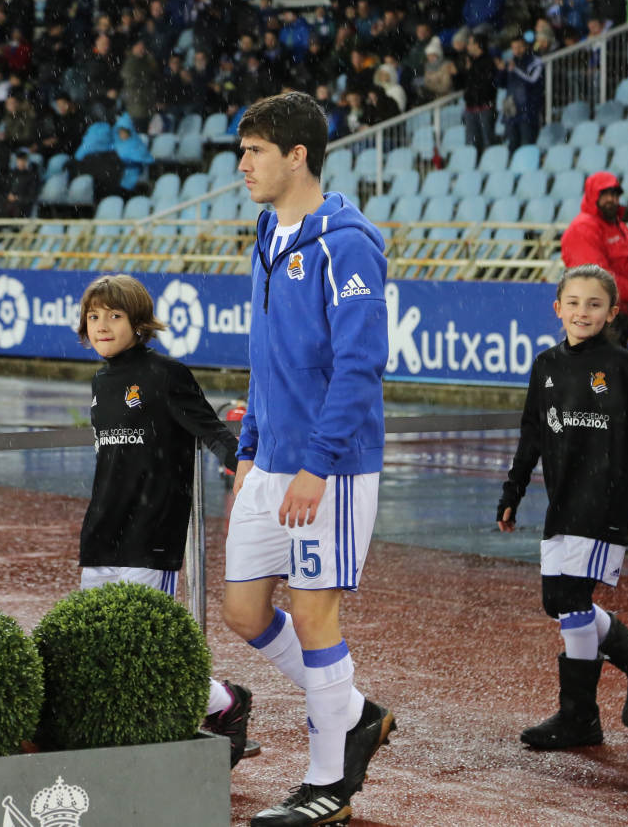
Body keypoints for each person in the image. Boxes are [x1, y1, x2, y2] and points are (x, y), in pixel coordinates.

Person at [225, 92, 394, 827]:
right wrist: (251, 450)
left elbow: (360, 366)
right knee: (243, 612)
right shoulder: (266, 229)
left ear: (298, 155)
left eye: (254, 152)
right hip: (270, 463)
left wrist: (316, 467)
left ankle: (329, 784)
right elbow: (267, 359)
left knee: (315, 613)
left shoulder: (348, 243)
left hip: (333, 469)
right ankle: (352, 713)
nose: (243, 167)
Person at [74, 273, 255, 769]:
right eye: (94, 317)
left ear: (139, 323)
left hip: (150, 535)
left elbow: (214, 433)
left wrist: (247, 469)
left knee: (143, 654)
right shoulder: (100, 380)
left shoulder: (164, 374)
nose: (102, 326)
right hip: (101, 534)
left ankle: (224, 704)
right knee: (101, 652)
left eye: (114, 316)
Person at [496, 264, 628, 749]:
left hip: (604, 498)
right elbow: (532, 432)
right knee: (558, 602)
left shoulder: (618, 364)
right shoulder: (546, 364)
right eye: (573, 303)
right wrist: (513, 491)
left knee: (572, 599)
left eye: (594, 304)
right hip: (564, 499)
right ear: (558, 309)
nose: (582, 312)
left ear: (612, 312)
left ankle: (579, 716)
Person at [560, 172, 628, 377]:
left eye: (615, 193)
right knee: (604, 377)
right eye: (605, 194)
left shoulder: (619, 226)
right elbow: (600, 279)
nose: (611, 199)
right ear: (592, 195)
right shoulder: (583, 228)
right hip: (599, 320)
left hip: (622, 318)